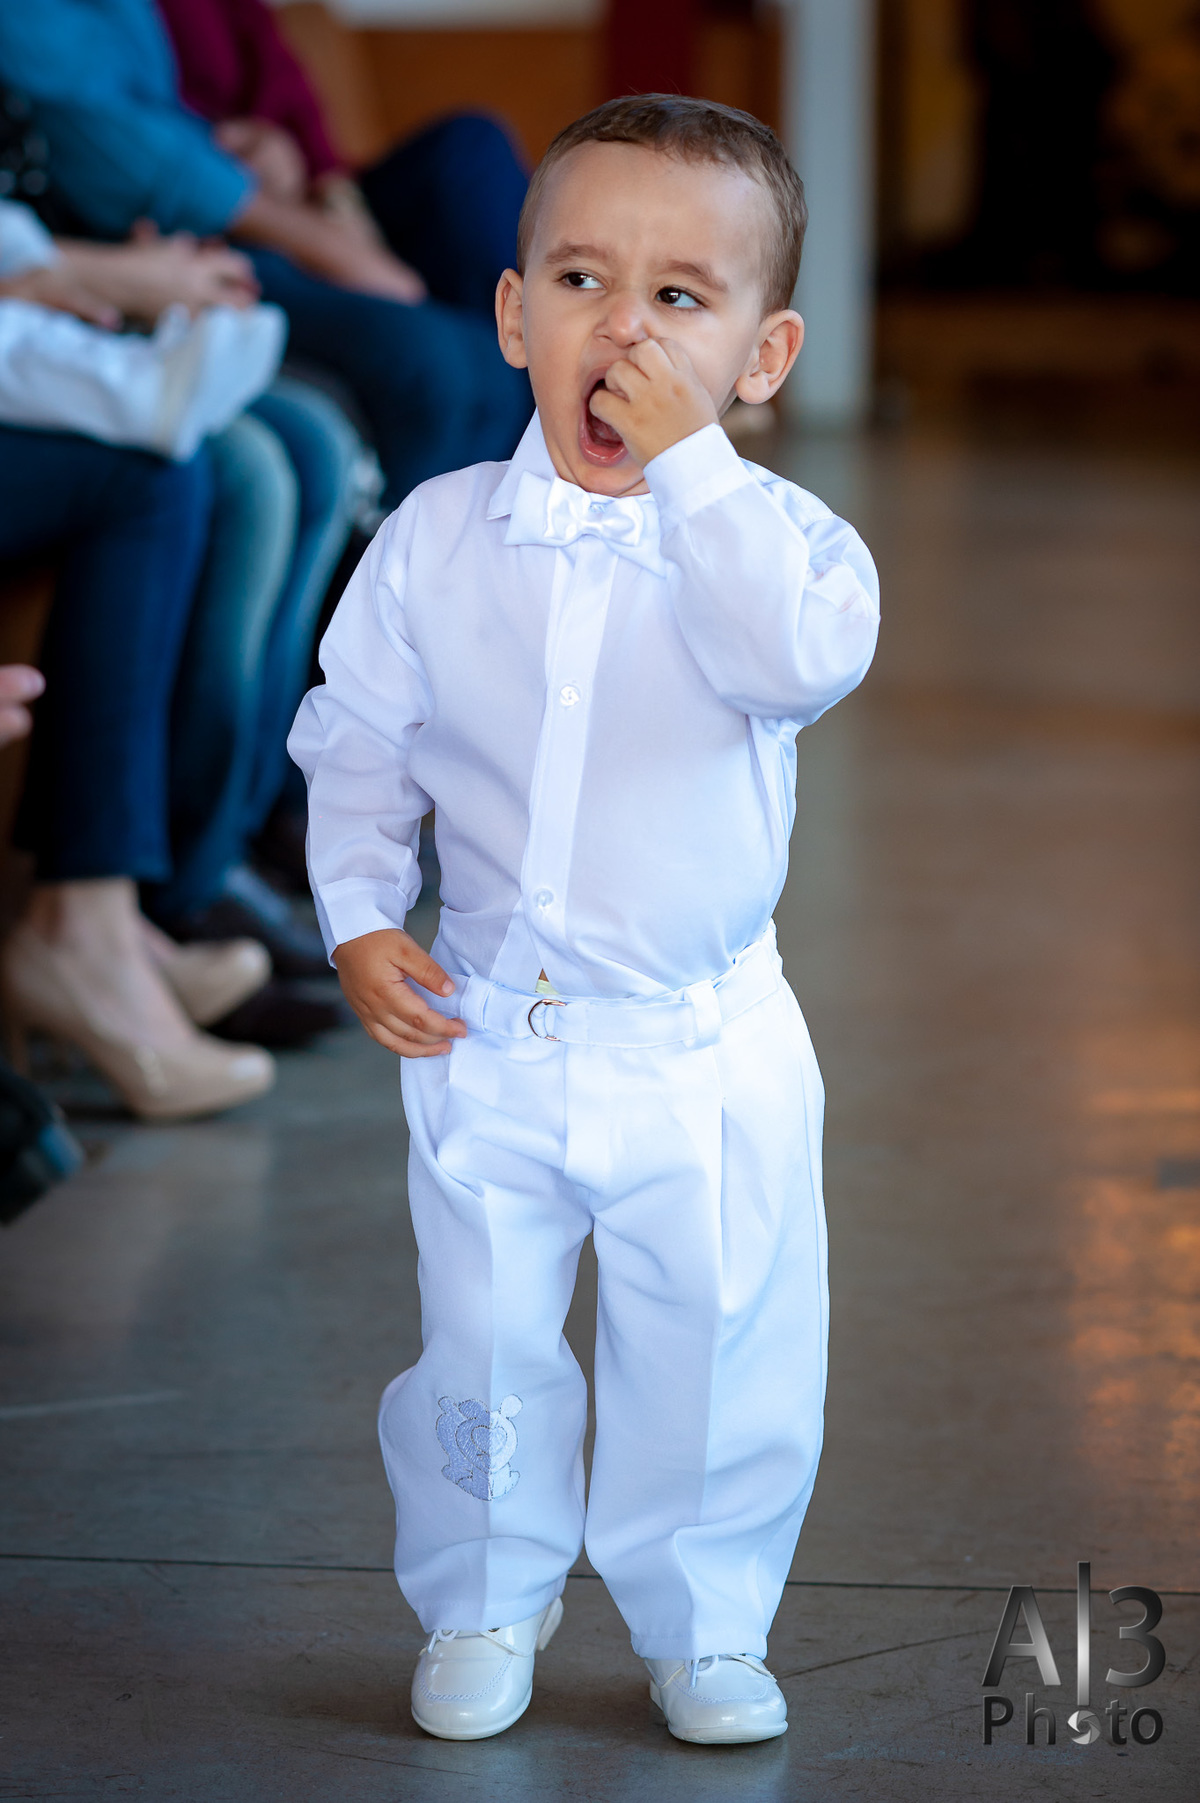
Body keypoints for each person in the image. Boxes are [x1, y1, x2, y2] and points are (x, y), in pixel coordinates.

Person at [290, 96, 880, 1746]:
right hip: (489, 1027)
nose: (624, 330)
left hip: (703, 1046)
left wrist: (693, 471)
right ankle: (484, 1588)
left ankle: (708, 1618)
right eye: (579, 278)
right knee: (482, 1346)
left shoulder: (794, 558)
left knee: (715, 1351)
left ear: (763, 357)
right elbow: (357, 738)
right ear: (510, 312)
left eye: (682, 298)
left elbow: (792, 665)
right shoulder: (431, 543)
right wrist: (354, 914)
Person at [0, 0, 532, 510]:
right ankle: (395, 590)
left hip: (256, 190)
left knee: (472, 148)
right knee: (437, 371)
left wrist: (329, 190)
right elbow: (136, 154)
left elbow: (273, 75)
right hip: (183, 227)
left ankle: (544, 464)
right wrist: (341, 252)